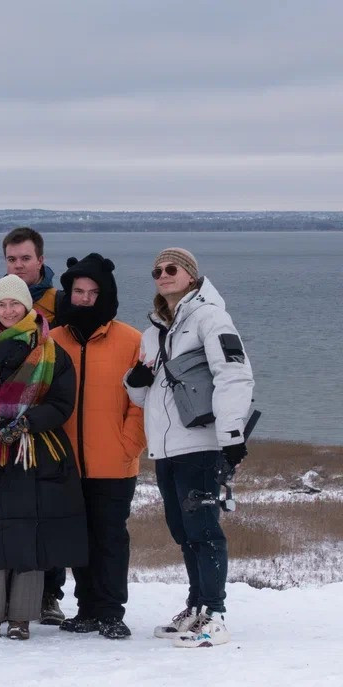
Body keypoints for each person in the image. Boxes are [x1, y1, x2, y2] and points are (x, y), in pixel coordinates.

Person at [125, 248, 254, 648]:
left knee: (204, 529)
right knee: (183, 531)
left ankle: (215, 614)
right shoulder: (154, 331)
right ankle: (197, 607)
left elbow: (233, 373)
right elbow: (147, 400)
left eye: (171, 269)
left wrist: (232, 435)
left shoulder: (210, 318)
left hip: (201, 444)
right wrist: (133, 382)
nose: (162, 275)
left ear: (191, 275)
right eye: (157, 270)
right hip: (166, 448)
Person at [0, 276, 86, 641]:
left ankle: (21, 618)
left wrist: (28, 423)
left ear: (27, 306)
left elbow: (62, 402)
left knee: (30, 536)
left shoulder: (50, 350)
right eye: (2, 305)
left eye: (15, 304)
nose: (9, 311)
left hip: (35, 453)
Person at [0, 226, 68, 623]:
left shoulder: (59, 303)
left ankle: (49, 594)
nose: (19, 265)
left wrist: (32, 421)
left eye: (25, 258)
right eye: (12, 259)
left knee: (44, 513)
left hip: (41, 428)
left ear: (40, 259)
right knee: (1, 515)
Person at [52, 255, 146, 639]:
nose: (86, 298)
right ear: (69, 294)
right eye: (79, 291)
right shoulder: (54, 339)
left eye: (94, 292)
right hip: (66, 461)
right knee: (79, 538)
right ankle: (86, 608)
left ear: (106, 295)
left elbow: (143, 401)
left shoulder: (131, 340)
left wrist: (129, 444)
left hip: (114, 461)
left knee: (109, 537)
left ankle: (110, 610)